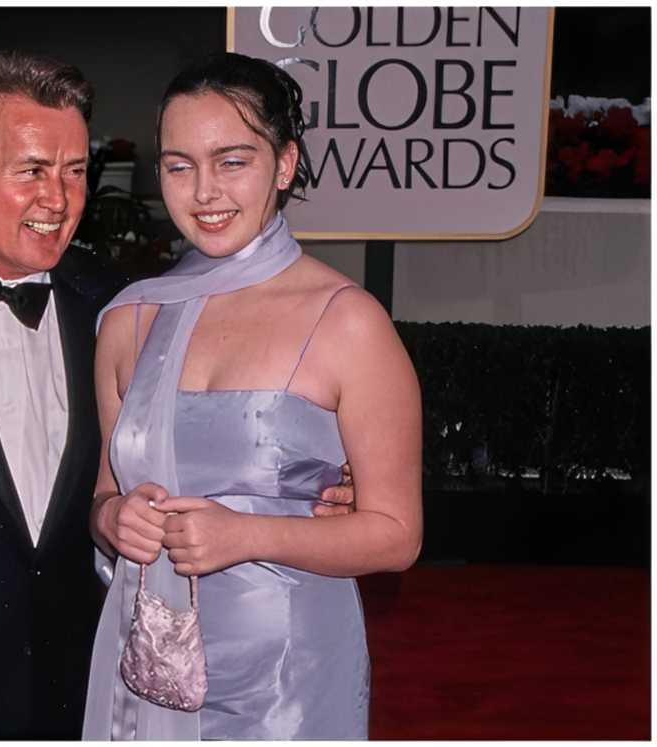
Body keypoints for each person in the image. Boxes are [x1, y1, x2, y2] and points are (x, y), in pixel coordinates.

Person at [0, 50, 355, 740]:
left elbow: (188, 448)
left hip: (87, 703)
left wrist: (317, 483)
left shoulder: (118, 307)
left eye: (76, 171)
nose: (60, 200)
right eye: (33, 171)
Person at [83, 52, 422, 740]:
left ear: (285, 163)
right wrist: (114, 519)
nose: (204, 191)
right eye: (179, 166)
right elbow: (103, 495)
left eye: (232, 160)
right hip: (146, 667)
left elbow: (397, 533)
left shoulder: (348, 320)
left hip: (289, 680)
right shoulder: (129, 319)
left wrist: (248, 534)